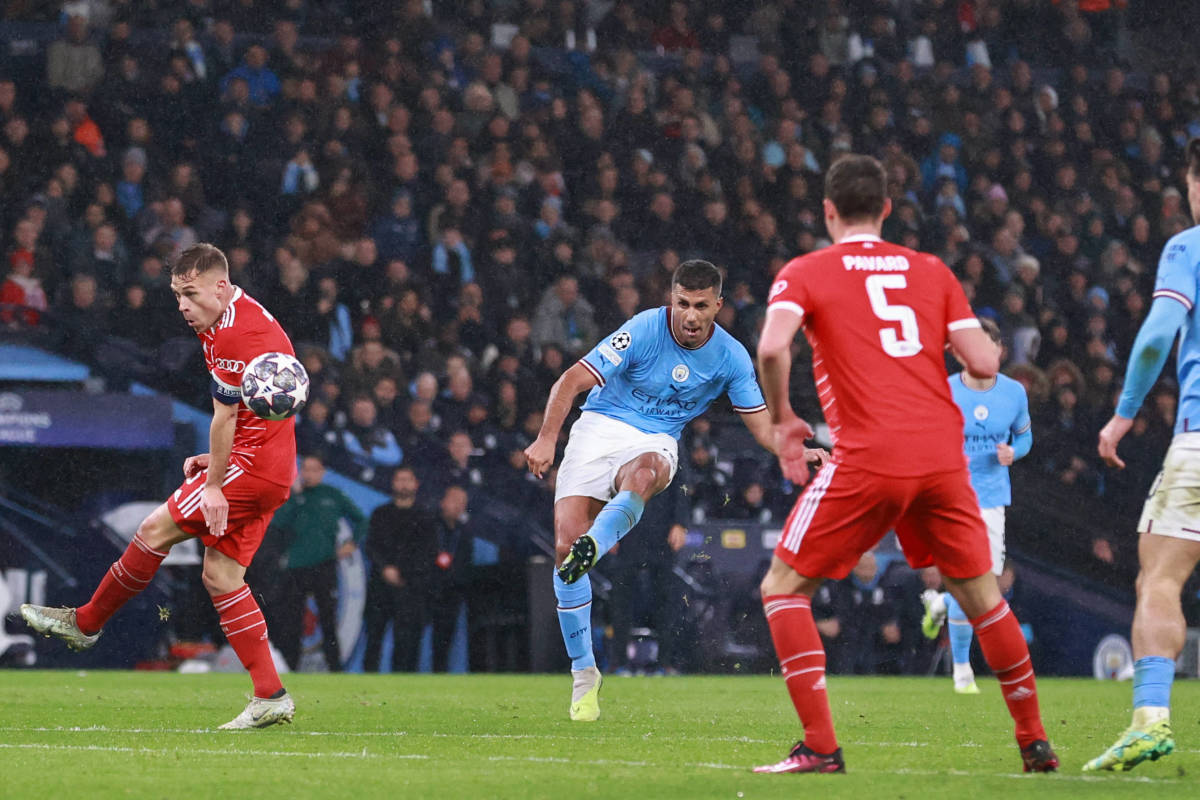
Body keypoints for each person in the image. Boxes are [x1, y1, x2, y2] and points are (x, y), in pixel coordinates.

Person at [753, 155, 1057, 774]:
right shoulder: (931, 270)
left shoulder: (805, 272)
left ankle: (820, 747)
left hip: (871, 454)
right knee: (983, 599)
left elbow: (771, 346)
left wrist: (785, 420)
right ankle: (1034, 742)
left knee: (782, 589)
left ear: (828, 211)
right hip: (944, 459)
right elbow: (983, 361)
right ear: (888, 209)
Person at [523, 259, 828, 722]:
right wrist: (547, 437)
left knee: (644, 474)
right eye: (682, 303)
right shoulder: (644, 329)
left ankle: (596, 544)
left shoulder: (730, 356)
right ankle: (585, 672)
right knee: (565, 552)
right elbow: (572, 379)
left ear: (717, 307)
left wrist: (794, 451)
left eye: (700, 306)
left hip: (654, 440)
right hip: (599, 427)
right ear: (672, 300)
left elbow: (761, 425)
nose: (689, 314)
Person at [20, 243, 299, 729]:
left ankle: (86, 623)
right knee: (221, 577)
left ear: (219, 286)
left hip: (251, 468)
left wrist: (215, 483)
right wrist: (217, 460)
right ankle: (270, 694)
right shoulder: (225, 318)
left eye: (189, 294)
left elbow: (226, 415)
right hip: (266, 465)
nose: (182, 306)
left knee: (153, 530)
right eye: (176, 295)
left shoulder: (236, 335)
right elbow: (246, 418)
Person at [1085, 137, 1200, 773]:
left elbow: (1158, 333)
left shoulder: (1189, 246)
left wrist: (1124, 414)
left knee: (1160, 577)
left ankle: (1150, 721)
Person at [920, 317, 1034, 693]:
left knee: (985, 585)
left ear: (999, 351)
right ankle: (962, 670)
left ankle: (940, 606)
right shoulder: (947, 390)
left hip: (992, 501)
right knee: (967, 578)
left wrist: (1013, 453)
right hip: (953, 498)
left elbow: (1026, 437)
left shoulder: (1015, 393)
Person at [269, 454, 365, 672]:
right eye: (306, 469)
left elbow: (361, 520)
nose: (309, 474)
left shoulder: (332, 495)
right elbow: (278, 522)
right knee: (292, 620)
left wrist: (352, 543)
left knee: (328, 619)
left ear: (322, 472)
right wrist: (294, 497)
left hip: (324, 565)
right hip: (296, 567)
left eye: (314, 469)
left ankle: (335, 667)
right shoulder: (292, 497)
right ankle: (290, 666)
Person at [362, 466, 437, 673]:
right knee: (374, 637)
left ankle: (404, 686)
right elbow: (372, 546)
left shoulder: (425, 517)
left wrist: (403, 573)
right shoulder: (380, 514)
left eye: (408, 479)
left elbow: (428, 552)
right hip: (380, 585)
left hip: (411, 587)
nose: (403, 484)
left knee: (407, 641)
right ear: (392, 483)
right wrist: (385, 569)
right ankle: (367, 685)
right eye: (399, 479)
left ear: (416, 484)